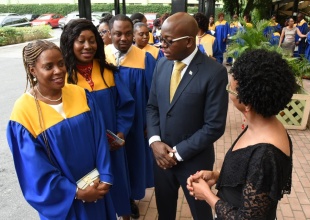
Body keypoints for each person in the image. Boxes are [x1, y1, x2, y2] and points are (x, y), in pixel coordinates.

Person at [6, 40, 116, 219]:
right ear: (33, 70)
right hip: (66, 202)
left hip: (97, 189)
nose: (58, 71)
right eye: (48, 66)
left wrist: (105, 176)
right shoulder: (23, 113)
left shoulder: (79, 94)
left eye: (61, 63)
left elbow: (100, 140)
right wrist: (76, 192)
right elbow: (34, 170)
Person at [187, 49, 295, 219]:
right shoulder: (261, 124)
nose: (229, 92)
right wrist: (216, 175)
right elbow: (246, 174)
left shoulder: (266, 155)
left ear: (248, 104)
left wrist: (208, 195)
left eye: (232, 90)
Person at [146, 12, 228, 220]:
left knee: (201, 214)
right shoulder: (162, 64)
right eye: (159, 38)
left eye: (167, 41)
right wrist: (155, 142)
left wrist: (178, 153)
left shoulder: (214, 72)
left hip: (194, 162)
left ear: (189, 42)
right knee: (165, 211)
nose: (161, 45)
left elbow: (214, 125)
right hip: (161, 158)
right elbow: (152, 107)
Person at [60, 19, 135, 220]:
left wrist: (120, 131)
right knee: (93, 189)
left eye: (92, 40)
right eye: (80, 41)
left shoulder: (108, 72)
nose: (87, 46)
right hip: (83, 150)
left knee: (118, 185)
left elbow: (125, 105)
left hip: (111, 146)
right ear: (69, 43)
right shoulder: (64, 77)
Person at [105, 14, 156, 219]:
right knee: (113, 163)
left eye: (128, 33)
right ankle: (117, 198)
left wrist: (150, 124)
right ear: (110, 34)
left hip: (136, 125)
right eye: (118, 33)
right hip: (110, 123)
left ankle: (130, 200)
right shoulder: (101, 56)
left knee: (133, 161)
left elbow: (154, 95)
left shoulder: (145, 59)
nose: (123, 38)